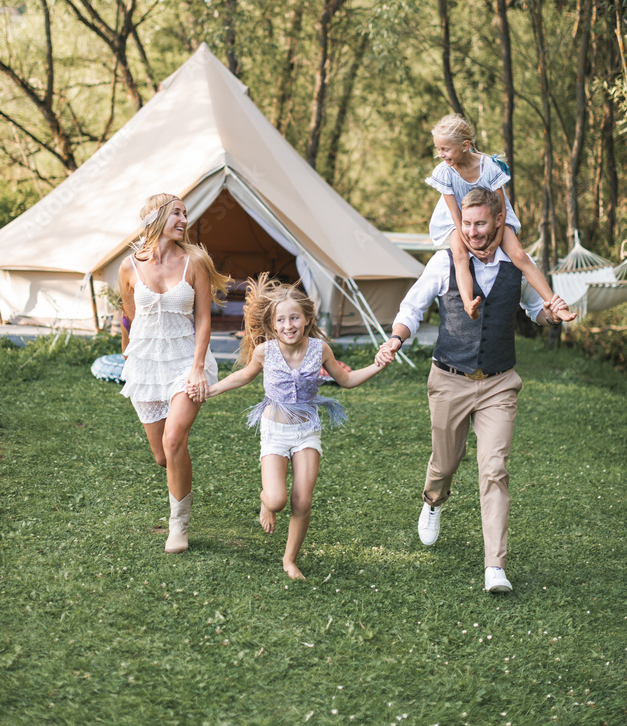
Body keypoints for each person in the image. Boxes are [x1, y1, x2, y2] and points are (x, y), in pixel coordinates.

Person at [376, 186, 573, 593]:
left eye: (480, 223)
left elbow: (537, 310)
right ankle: (432, 501)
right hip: (449, 378)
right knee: (445, 464)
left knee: (494, 470)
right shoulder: (444, 261)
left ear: (500, 221)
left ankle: (494, 567)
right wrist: (396, 339)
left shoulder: (518, 263)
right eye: (466, 223)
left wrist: (551, 315)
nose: (472, 231)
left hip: (499, 383)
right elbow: (412, 308)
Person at [190, 274, 390, 580]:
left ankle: (289, 559)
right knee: (277, 499)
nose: (288, 325)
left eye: (294, 317)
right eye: (281, 320)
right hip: (275, 430)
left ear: (307, 319)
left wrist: (378, 364)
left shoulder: (320, 349)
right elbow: (242, 377)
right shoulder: (265, 352)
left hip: (307, 430)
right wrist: (209, 390)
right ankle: (265, 502)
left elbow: (346, 381)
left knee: (302, 501)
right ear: (272, 325)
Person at [119, 193, 231, 553]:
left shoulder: (194, 261)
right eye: (177, 213)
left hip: (186, 361)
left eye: (185, 213)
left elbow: (203, 319)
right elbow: (128, 317)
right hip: (146, 364)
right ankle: (179, 482)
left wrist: (198, 368)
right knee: (163, 455)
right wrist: (126, 358)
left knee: (173, 439)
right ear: (155, 218)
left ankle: (178, 527)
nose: (184, 219)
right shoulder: (129, 266)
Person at [427, 113, 576, 322]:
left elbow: (502, 206)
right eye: (438, 149)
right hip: (458, 220)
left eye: (445, 149)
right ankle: (468, 302)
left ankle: (555, 304)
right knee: (459, 255)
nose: (440, 154)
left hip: (494, 215)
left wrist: (497, 238)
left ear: (465, 145)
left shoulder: (488, 166)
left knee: (519, 255)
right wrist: (469, 243)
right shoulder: (444, 172)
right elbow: (454, 213)